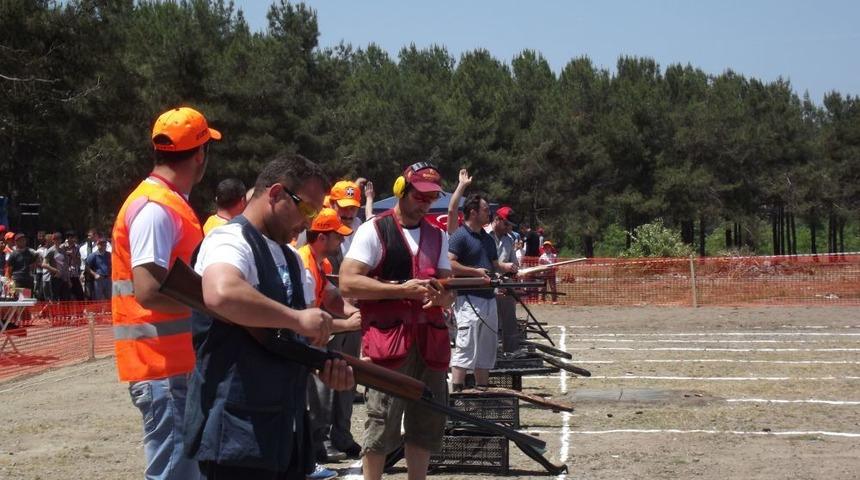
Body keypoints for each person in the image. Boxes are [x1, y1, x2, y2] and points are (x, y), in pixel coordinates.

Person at [187, 154, 353, 479]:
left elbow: (286, 343)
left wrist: (324, 366)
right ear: (276, 194)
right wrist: (296, 319)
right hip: (236, 430)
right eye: (307, 209)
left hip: (283, 430)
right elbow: (221, 292)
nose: (309, 221)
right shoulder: (229, 239)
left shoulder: (290, 256)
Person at [111, 106, 220, 480]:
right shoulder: (157, 208)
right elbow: (148, 289)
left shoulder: (167, 203)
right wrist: (215, 302)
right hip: (162, 368)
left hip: (171, 366)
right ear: (200, 155)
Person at [339, 162, 455, 480]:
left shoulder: (438, 236)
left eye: (431, 198)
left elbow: (448, 288)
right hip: (389, 344)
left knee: (426, 424)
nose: (426, 203)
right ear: (401, 190)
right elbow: (348, 283)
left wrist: (443, 297)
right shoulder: (373, 230)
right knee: (380, 425)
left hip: (429, 343)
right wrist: (400, 290)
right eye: (420, 195)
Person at [298, 207, 363, 463]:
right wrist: (348, 325)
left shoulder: (320, 261)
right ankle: (312, 457)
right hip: (302, 339)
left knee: (319, 398)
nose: (342, 240)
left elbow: (333, 298)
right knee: (311, 402)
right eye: (338, 236)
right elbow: (307, 318)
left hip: (312, 339)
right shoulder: (303, 263)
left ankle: (316, 453)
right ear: (322, 237)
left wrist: (352, 313)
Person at [448, 194, 517, 391]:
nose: (489, 213)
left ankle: (482, 390)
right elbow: (450, 263)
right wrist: (475, 272)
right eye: (486, 210)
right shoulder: (460, 236)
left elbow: (494, 266)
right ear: (473, 212)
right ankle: (458, 392)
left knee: (487, 348)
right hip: (468, 298)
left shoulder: (487, 239)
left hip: (488, 299)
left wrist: (507, 269)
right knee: (465, 346)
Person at [487, 206, 521, 352]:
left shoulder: (509, 239)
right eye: (506, 224)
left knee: (510, 322)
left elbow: (514, 263)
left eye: (511, 226)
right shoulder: (483, 236)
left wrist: (513, 269)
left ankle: (511, 353)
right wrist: (503, 267)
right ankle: (492, 356)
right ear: (497, 219)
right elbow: (484, 264)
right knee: (491, 324)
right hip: (488, 287)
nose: (509, 228)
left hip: (506, 288)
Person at [43, 232, 70, 301]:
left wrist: (68, 279)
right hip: (55, 277)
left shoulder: (62, 250)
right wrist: (55, 270)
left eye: (59, 239)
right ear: (53, 240)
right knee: (54, 298)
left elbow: (65, 265)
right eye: (55, 239)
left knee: (64, 298)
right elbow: (44, 264)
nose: (57, 241)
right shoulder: (51, 250)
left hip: (64, 277)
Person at [446, 168, 471, 235]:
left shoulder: (487, 238)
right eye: (485, 210)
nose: (488, 214)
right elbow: (452, 210)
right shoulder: (457, 237)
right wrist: (462, 185)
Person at [64, 231, 85, 300]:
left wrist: (73, 255)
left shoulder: (77, 247)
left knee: (80, 294)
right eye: (72, 238)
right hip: (65, 274)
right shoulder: (62, 247)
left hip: (74, 274)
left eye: (74, 238)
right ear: (68, 238)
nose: (73, 240)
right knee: (66, 295)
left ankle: (81, 309)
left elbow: (79, 261)